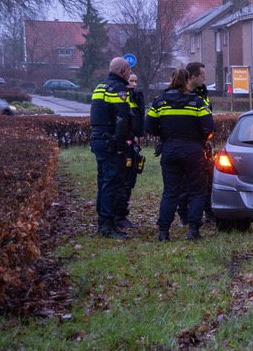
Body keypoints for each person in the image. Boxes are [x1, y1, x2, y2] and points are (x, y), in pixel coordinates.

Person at [147, 68, 215, 240]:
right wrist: (199, 138)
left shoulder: (159, 102)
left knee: (170, 191)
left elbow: (149, 127)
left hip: (169, 150)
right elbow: (209, 128)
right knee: (197, 191)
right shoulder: (197, 102)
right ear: (187, 81)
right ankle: (193, 230)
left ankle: (163, 232)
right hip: (193, 152)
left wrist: (165, 135)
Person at [89, 57, 135, 239]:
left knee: (103, 181)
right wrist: (120, 144)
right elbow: (122, 118)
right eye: (129, 70)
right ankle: (107, 225)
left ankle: (103, 220)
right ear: (122, 71)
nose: (130, 74)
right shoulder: (118, 89)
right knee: (112, 182)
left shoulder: (100, 87)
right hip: (110, 141)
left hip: (98, 139)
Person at [176, 62, 215, 226]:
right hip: (188, 145)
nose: (204, 79)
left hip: (202, 144)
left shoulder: (202, 92)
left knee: (207, 180)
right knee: (185, 184)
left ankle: (209, 214)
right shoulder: (182, 94)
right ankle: (184, 217)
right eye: (202, 76)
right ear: (192, 77)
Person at [112, 71, 146, 231]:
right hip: (125, 143)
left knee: (130, 179)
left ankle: (122, 213)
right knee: (123, 181)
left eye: (136, 81)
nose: (134, 84)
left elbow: (139, 121)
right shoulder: (121, 96)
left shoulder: (136, 97)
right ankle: (119, 215)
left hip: (133, 144)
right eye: (131, 81)